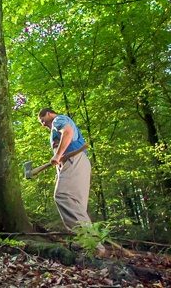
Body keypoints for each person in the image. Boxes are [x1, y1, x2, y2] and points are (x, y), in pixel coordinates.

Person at [38, 108, 105, 253]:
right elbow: (59, 154)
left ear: (49, 114)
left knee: (63, 196)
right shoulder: (54, 130)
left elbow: (67, 133)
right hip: (75, 163)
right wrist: (59, 170)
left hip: (75, 159)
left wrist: (58, 156)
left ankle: (91, 243)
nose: (43, 124)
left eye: (42, 120)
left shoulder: (58, 120)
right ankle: (89, 245)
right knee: (76, 204)